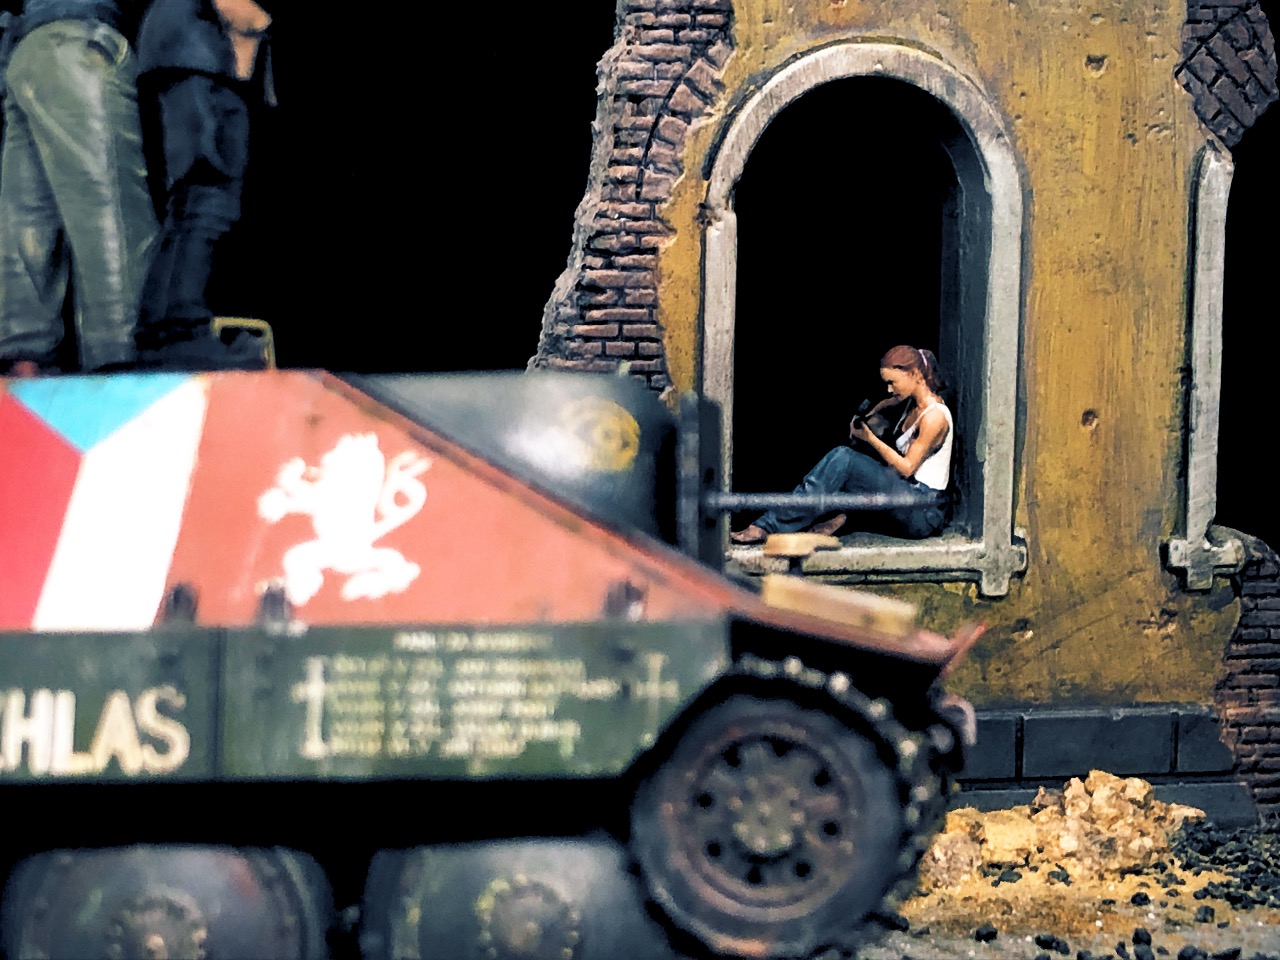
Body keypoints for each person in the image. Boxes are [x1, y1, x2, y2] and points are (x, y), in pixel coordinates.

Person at [0, 0, 158, 375]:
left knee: (26, 229)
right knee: (111, 217)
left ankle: (24, 371)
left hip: (26, 50)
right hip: (79, 39)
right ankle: (123, 370)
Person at [132, 0, 273, 369]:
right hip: (199, 53)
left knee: (191, 199)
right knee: (208, 196)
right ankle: (180, 328)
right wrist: (257, 22)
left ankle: (160, 331)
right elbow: (236, 9)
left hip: (182, 51)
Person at [730, 345, 954, 544]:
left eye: (892, 383)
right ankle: (836, 520)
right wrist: (868, 418)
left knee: (844, 459)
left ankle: (768, 527)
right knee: (846, 461)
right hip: (907, 499)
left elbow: (906, 468)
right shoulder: (909, 404)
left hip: (923, 511)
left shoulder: (935, 417)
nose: (889, 389)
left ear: (915, 374)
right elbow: (885, 406)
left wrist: (870, 438)